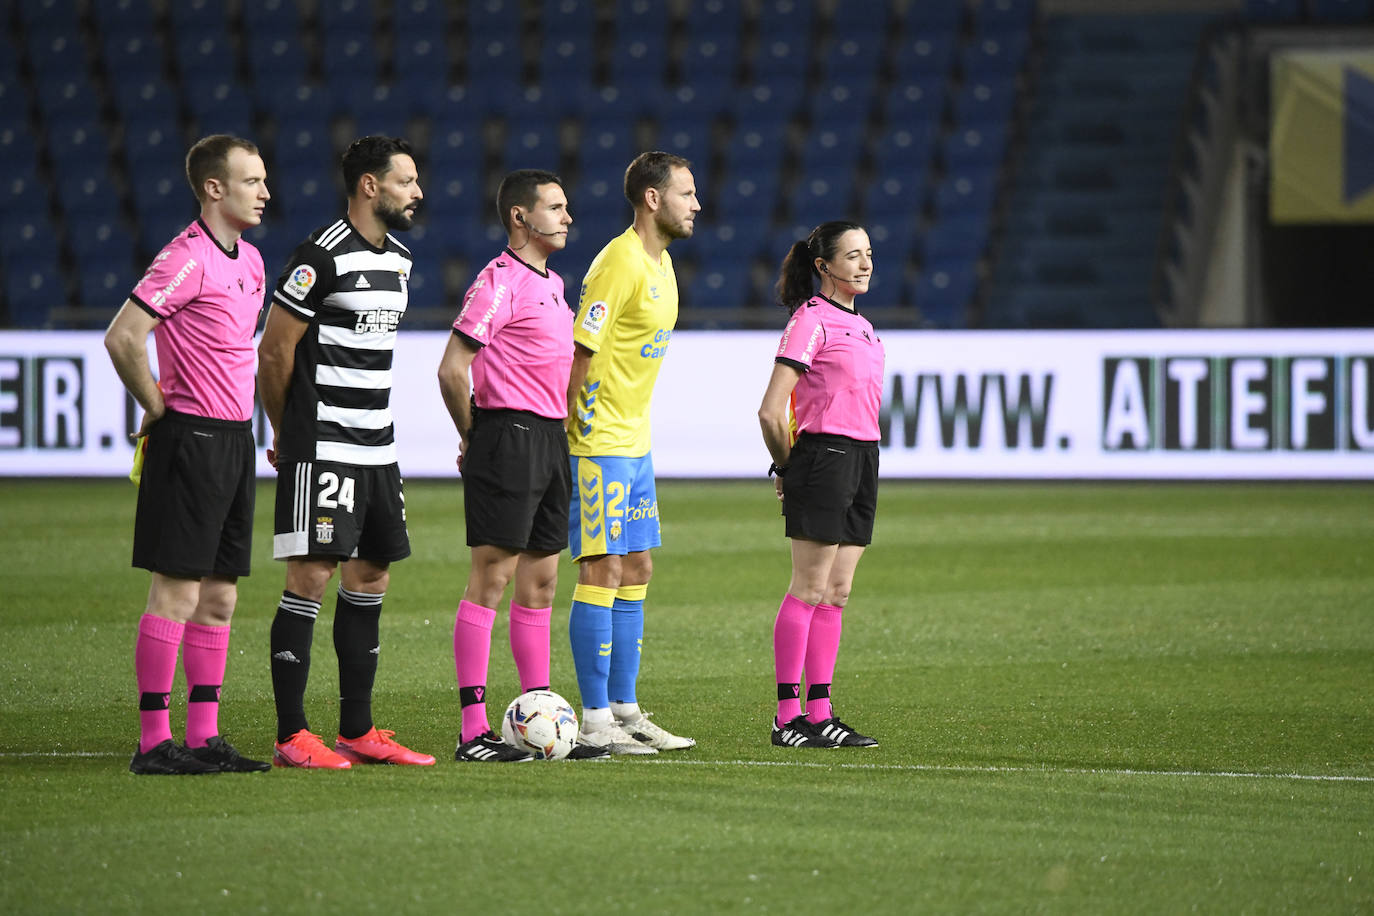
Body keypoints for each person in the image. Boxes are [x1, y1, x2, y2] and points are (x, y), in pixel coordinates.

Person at [257, 135, 434, 769]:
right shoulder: (320, 257)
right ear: (369, 185)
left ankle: (357, 730)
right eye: (406, 181)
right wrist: (288, 432)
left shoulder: (401, 261)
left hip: (379, 446)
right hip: (323, 445)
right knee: (311, 575)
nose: (417, 192)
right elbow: (274, 351)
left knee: (372, 576)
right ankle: (291, 735)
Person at [104, 134, 272, 775]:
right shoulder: (186, 256)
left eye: (263, 180)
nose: (264, 191)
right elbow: (124, 336)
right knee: (176, 593)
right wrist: (155, 404)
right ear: (213, 188)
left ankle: (203, 736)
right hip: (190, 438)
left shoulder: (251, 260)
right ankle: (153, 742)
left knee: (220, 597)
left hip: (234, 440)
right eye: (252, 181)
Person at [437, 169, 607, 762]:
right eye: (555, 207)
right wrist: (475, 435)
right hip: (506, 434)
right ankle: (473, 730)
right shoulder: (498, 281)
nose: (567, 217)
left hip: (550, 438)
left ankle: (542, 719)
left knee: (541, 582)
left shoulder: (553, 284)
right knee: (492, 577)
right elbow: (452, 368)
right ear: (519, 217)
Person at [563, 151, 700, 755]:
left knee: (638, 566)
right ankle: (595, 722)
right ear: (652, 198)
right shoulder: (618, 263)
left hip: (635, 442)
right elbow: (581, 353)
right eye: (686, 193)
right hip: (599, 442)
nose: (696, 204)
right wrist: (568, 430)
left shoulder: (662, 264)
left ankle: (625, 710)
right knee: (602, 567)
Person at [757, 220, 884, 750]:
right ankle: (787, 718)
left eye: (868, 253)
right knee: (808, 589)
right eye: (852, 255)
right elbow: (770, 411)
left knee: (837, 592)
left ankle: (821, 712)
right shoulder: (811, 320)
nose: (865, 263)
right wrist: (787, 468)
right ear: (823, 266)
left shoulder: (864, 325)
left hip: (863, 456)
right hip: (824, 456)